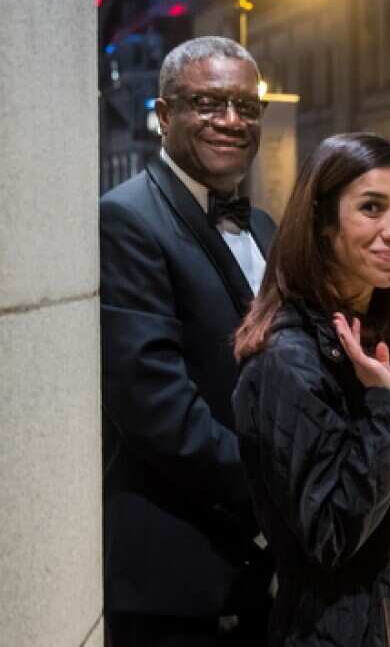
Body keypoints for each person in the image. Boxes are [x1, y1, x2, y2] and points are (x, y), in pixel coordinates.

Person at [231, 133, 390, 646]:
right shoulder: (289, 359)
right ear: (323, 225)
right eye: (372, 208)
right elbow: (330, 534)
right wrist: (387, 410)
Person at [100, 36, 275, 645]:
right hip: (175, 581)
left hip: (259, 578)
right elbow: (155, 408)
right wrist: (277, 494)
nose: (231, 120)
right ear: (165, 114)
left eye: (246, 106)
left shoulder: (264, 225)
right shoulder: (126, 217)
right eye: (209, 103)